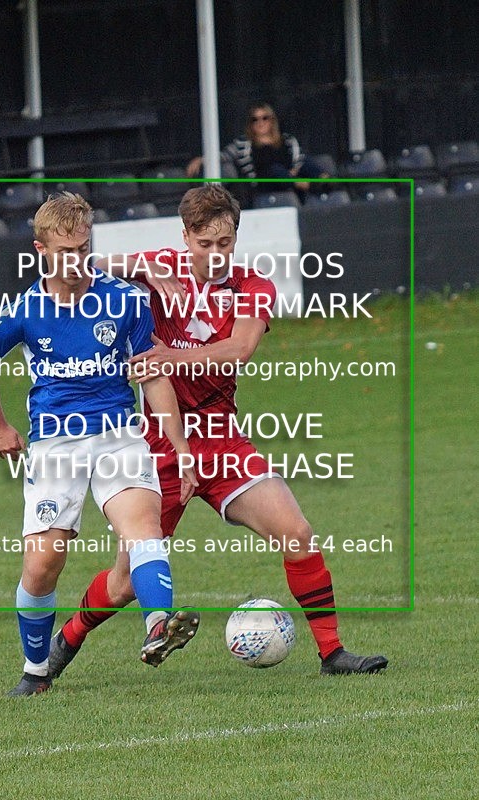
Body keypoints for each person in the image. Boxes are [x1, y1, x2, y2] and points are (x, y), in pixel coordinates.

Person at [48, 185, 388, 679]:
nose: (214, 254)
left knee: (297, 533)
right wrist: (137, 266)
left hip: (221, 438)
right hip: (156, 447)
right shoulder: (161, 267)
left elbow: (240, 349)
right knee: (124, 584)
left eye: (224, 243)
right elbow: (85, 267)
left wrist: (169, 357)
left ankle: (333, 653)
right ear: (186, 236)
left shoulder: (252, 286)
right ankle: (67, 639)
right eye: (204, 243)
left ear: (235, 240)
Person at [0, 192, 200, 696]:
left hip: (119, 437)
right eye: (65, 252)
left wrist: (180, 448)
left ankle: (159, 625)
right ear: (41, 250)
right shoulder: (23, 309)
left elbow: (151, 374)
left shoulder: (126, 300)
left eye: (83, 248)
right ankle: (36, 671)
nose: (76, 261)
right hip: (56, 444)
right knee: (43, 564)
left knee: (143, 529)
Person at [186, 103, 328, 203]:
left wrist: (293, 171)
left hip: (289, 179)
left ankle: (326, 180)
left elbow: (299, 159)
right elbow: (223, 155)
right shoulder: (243, 143)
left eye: (265, 118)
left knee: (308, 162)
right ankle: (308, 186)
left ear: (272, 120)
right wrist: (201, 159)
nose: (260, 122)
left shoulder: (287, 140)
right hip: (265, 185)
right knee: (275, 170)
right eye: (255, 119)